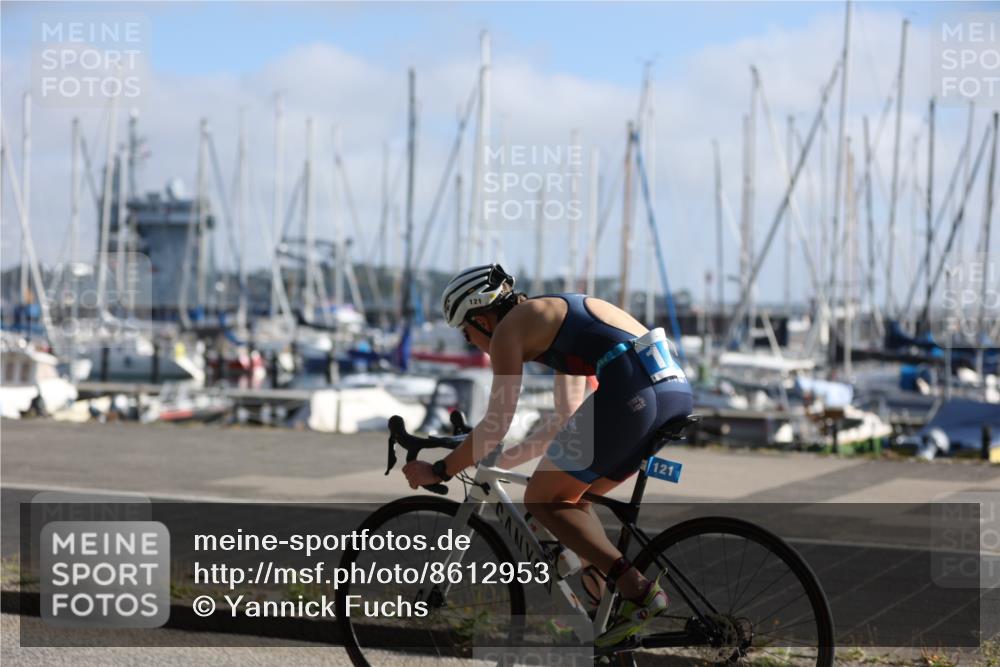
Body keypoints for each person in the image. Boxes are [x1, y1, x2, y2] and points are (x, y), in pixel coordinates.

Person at [403, 263, 694, 646]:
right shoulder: (552, 320)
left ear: (482, 316)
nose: (471, 342)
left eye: (466, 331)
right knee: (566, 500)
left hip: (635, 392)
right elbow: (564, 421)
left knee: (542, 498)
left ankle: (638, 591)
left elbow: (495, 425)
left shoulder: (510, 330)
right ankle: (603, 616)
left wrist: (440, 469)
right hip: (669, 390)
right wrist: (495, 464)